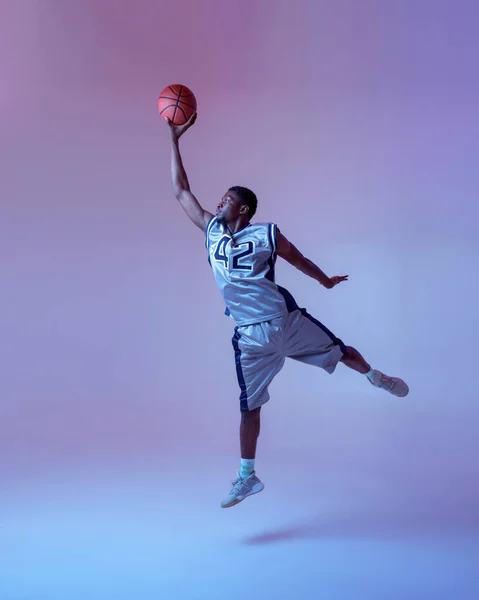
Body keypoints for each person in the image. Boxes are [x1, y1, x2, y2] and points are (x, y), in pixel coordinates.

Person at [165, 113, 409, 509]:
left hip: (285, 321)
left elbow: (298, 259)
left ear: (244, 209)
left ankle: (377, 378)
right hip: (250, 337)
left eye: (227, 199)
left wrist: (325, 280)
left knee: (343, 351)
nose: (219, 201)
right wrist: (173, 140)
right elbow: (180, 191)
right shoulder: (211, 232)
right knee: (249, 409)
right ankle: (247, 477)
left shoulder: (266, 233)